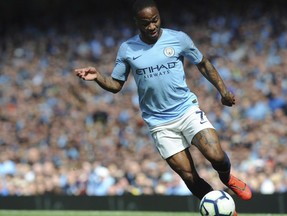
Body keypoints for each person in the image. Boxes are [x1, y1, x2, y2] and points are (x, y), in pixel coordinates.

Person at [75, 0, 252, 205]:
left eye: (155, 20)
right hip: (160, 123)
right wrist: (97, 76)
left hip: (186, 110)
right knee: (188, 175)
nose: (151, 26)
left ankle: (227, 178)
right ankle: (223, 209)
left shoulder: (178, 38)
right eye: (145, 23)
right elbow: (116, 85)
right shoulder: (127, 49)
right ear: (136, 23)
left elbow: (202, 64)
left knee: (217, 156)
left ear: (159, 16)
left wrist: (223, 91)